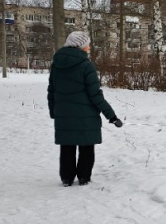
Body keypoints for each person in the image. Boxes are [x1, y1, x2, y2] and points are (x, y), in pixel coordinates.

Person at [47, 31, 122, 186]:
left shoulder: (56, 65)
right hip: (85, 115)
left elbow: (51, 90)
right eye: (87, 45)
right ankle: (83, 177)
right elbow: (95, 95)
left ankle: (66, 178)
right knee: (86, 147)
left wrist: (54, 111)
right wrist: (112, 116)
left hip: (63, 115)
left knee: (67, 147)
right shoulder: (86, 65)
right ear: (80, 46)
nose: (89, 47)